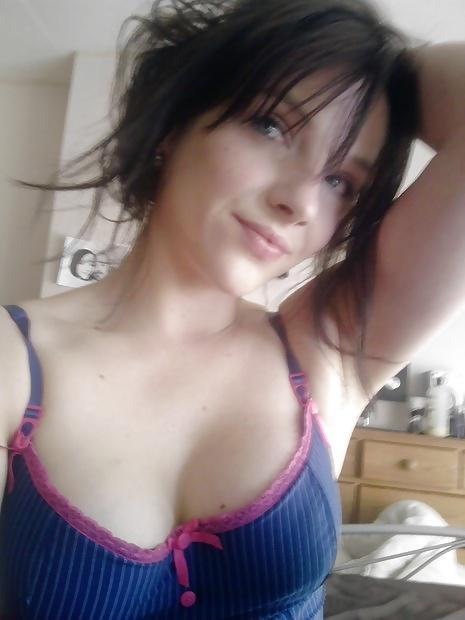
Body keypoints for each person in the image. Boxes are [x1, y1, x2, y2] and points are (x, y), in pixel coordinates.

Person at [0, 0, 464, 617]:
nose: (301, 201)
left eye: (341, 181)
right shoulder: (13, 362)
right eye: (272, 126)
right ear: (174, 123)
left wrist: (384, 67)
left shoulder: (328, 352)